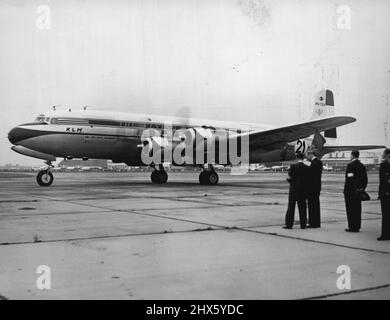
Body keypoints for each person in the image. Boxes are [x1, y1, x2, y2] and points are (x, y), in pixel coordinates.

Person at [284, 152, 311, 229]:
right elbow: (308, 180)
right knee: (302, 207)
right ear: (303, 158)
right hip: (303, 190)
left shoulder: (293, 166)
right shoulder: (307, 167)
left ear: (296, 158)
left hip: (293, 189)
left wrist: (291, 182)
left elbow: (290, 177)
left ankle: (289, 224)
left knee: (291, 207)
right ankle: (303, 224)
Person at [343, 150, 368, 232]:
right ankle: (357, 226)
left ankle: (352, 227)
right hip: (358, 191)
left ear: (352, 155)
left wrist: (348, 190)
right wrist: (361, 188)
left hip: (350, 192)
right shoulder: (362, 166)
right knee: (357, 209)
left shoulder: (350, 165)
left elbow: (349, 179)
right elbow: (365, 179)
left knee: (350, 210)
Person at [306, 149, 323, 228]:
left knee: (312, 205)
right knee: (315, 205)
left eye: (307, 156)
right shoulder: (317, 162)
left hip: (313, 187)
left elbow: (312, 176)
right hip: (316, 187)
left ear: (310, 154)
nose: (306, 157)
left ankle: (313, 223)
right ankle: (315, 222)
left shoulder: (315, 163)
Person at [378, 148, 390, 241]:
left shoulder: (383, 165)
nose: (382, 154)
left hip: (385, 194)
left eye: (383, 153)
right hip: (385, 192)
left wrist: (384, 192)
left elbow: (382, 181)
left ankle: (385, 235)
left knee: (385, 215)